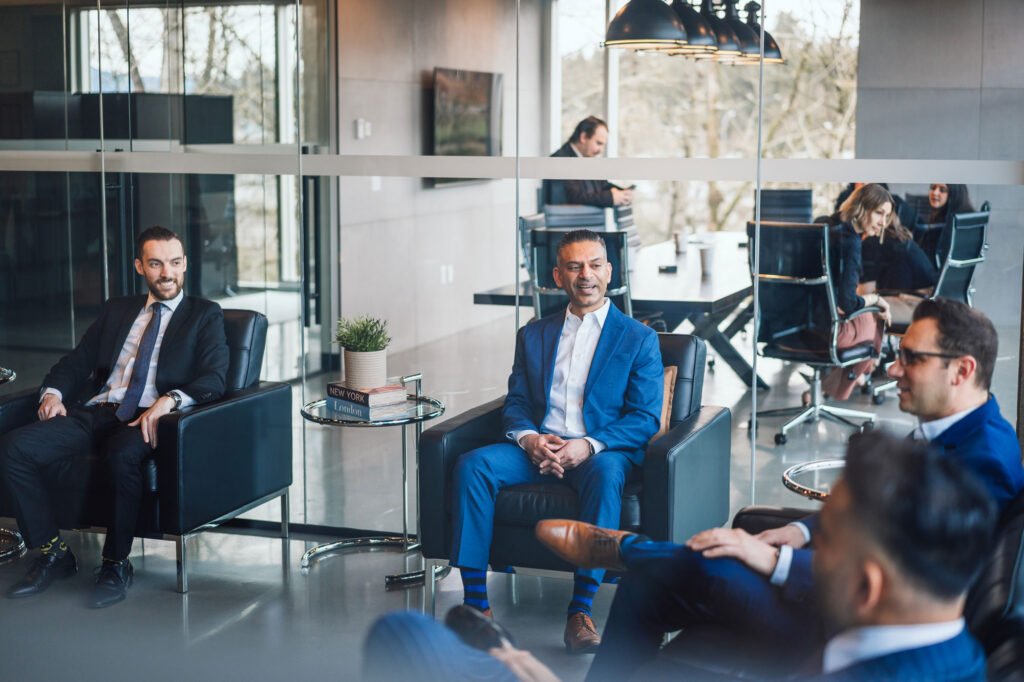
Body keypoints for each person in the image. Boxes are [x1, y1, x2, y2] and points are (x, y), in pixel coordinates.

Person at [535, 297, 1023, 680]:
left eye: (912, 359)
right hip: (837, 578)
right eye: (898, 355)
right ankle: (633, 562)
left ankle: (627, 549)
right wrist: (802, 531)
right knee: (651, 584)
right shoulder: (950, 426)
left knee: (714, 565)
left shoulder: (984, 461)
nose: (892, 370)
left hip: (844, 614)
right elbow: (879, 512)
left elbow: (908, 582)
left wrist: (774, 561)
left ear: (962, 370)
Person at [361, 432, 998, 681]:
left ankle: (623, 555)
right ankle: (630, 554)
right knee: (677, 570)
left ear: (866, 587)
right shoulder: (948, 651)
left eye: (824, 538)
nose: (810, 546)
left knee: (403, 634)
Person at [448, 228, 663, 653]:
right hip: (537, 450)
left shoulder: (638, 338)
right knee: (473, 465)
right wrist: (529, 439)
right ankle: (477, 605)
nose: (586, 275)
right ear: (557, 276)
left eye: (595, 264)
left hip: (599, 453)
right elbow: (517, 401)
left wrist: (588, 444)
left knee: (606, 475)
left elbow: (645, 417)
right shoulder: (534, 334)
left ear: (609, 270)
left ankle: (580, 611)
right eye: (574, 266)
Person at [1, 225, 229, 608]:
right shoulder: (118, 310)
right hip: (95, 412)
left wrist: (170, 400)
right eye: (156, 264)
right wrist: (53, 395)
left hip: (146, 419)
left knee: (122, 458)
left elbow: (215, 377)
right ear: (140, 266)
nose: (167, 273)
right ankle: (53, 552)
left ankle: (115, 563)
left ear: (186, 264)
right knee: (14, 448)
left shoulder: (204, 315)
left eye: (174, 263)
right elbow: (76, 362)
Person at [819, 183, 894, 401]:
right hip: (830, 332)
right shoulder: (851, 242)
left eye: (886, 216)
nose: (883, 223)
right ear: (862, 208)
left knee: (868, 317)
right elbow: (849, 303)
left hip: (798, 326)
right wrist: (878, 300)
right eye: (879, 213)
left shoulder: (823, 225)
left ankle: (845, 379)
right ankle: (849, 382)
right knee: (878, 319)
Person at [544, 116, 633, 208]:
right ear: (583, 137)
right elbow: (572, 197)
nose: (601, 150)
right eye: (598, 143)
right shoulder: (559, 160)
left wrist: (622, 193)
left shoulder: (586, 159)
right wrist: (610, 197)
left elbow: (602, 185)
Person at [917, 183, 974, 267]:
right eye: (933, 187)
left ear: (953, 194)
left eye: (942, 190)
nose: (935, 193)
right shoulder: (963, 219)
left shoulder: (943, 227)